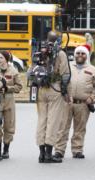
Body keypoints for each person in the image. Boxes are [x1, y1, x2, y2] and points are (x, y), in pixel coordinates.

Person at [54, 45, 95, 159]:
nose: (80, 55)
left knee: (80, 129)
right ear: (74, 54)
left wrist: (92, 97)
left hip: (83, 104)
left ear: (87, 55)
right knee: (62, 127)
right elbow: (59, 81)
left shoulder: (92, 69)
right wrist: (62, 94)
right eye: (78, 53)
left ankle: (77, 150)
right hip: (67, 102)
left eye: (83, 53)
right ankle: (59, 150)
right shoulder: (68, 66)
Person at [30, 31, 70, 163]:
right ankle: (48, 154)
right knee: (53, 120)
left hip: (41, 88)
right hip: (55, 88)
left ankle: (41, 154)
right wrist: (65, 91)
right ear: (58, 40)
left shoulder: (39, 51)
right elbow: (65, 74)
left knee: (42, 120)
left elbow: (31, 71)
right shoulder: (60, 53)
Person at [0, 51, 23, 159]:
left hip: (9, 101)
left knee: (9, 126)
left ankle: (6, 150)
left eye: (1, 57)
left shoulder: (14, 71)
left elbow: (19, 87)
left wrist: (8, 88)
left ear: (6, 59)